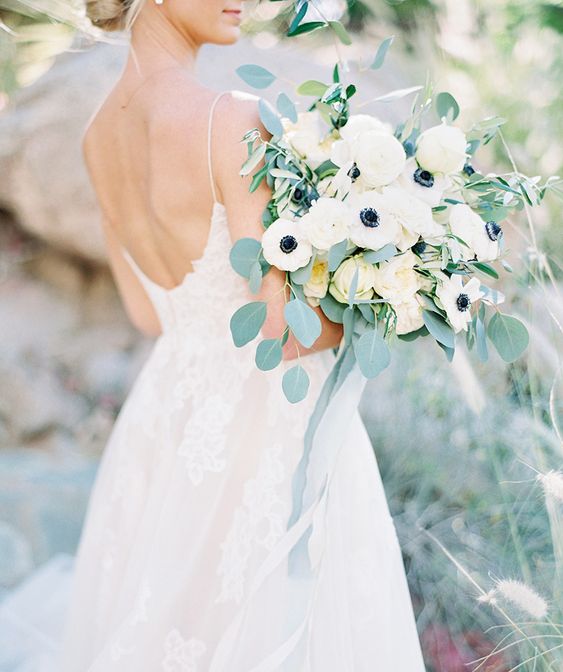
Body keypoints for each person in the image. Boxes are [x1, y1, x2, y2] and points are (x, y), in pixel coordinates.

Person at [3, 1, 428, 670]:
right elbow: (281, 332)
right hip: (260, 419)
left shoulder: (94, 133)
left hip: (169, 411)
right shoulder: (231, 119)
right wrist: (393, 284)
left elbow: (148, 316)